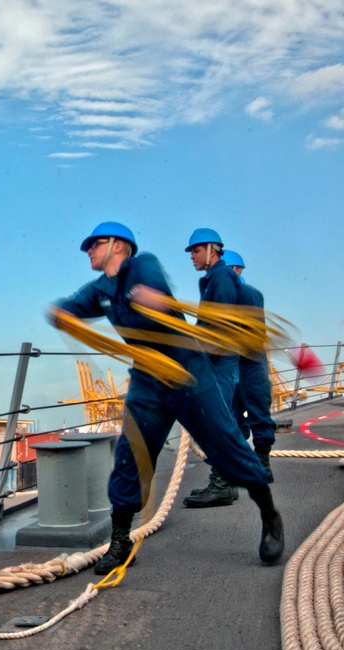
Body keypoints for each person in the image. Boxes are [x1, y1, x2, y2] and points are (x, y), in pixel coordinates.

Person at [50, 221, 284, 574]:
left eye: (94, 244)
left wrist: (154, 297)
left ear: (118, 245)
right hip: (147, 377)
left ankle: (269, 516)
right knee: (130, 456)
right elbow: (76, 304)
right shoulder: (101, 288)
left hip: (187, 372)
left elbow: (154, 283)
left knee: (227, 446)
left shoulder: (142, 265)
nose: (88, 251)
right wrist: (61, 312)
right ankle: (120, 541)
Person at [182, 228, 245, 507]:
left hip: (221, 359)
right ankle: (224, 482)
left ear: (211, 249)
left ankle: (222, 484)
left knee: (217, 420)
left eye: (195, 250)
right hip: (219, 358)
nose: (192, 257)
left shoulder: (221, 276)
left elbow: (221, 325)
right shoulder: (215, 278)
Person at [221, 250, 275, 482]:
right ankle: (240, 465)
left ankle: (261, 463)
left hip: (249, 363)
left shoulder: (248, 294)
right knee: (233, 416)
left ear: (235, 270)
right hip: (234, 363)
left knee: (255, 413)